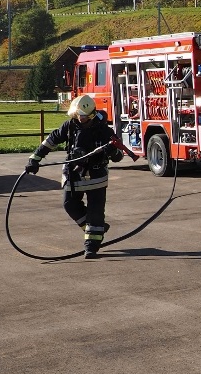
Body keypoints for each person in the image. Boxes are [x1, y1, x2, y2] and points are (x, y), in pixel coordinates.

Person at [24, 94, 126, 259]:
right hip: (73, 175)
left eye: (83, 115)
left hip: (95, 177)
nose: (80, 118)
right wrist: (34, 159)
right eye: (77, 114)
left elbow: (119, 155)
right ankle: (95, 229)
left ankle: (91, 246)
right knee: (69, 205)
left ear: (92, 114)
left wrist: (112, 151)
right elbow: (51, 140)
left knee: (95, 213)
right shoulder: (70, 126)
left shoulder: (104, 131)